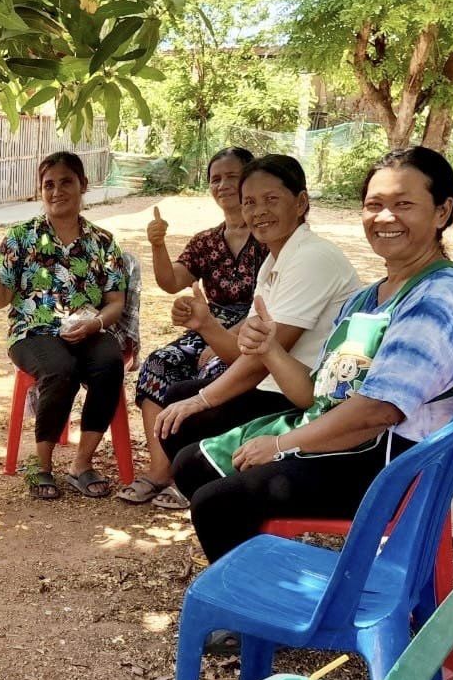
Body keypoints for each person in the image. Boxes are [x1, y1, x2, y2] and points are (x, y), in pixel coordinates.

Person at [171, 146, 453, 563]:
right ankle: (264, 571)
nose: (385, 217)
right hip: (356, 441)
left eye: (403, 204)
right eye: (374, 205)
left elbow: (377, 412)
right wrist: (268, 349)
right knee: (192, 466)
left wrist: (282, 444)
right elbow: (314, 395)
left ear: (442, 211)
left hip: (395, 466)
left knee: (217, 501)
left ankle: (269, 606)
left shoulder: (439, 296)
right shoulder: (366, 298)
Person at [153, 155, 360, 477]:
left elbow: (260, 360)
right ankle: (221, 487)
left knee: (189, 443)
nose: (258, 211)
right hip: (280, 387)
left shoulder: (312, 258)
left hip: (307, 401)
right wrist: (206, 324)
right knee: (178, 399)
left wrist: (202, 400)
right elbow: (245, 353)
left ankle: (224, 490)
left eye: (271, 199)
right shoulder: (275, 262)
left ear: (301, 202)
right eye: (249, 202)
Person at [121, 147, 268, 509]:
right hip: (205, 328)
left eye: (232, 176)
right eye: (215, 179)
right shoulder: (206, 241)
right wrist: (157, 244)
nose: (223, 185)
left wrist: (220, 338)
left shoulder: (268, 238)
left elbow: (271, 310)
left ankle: (197, 470)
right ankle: (160, 470)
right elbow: (172, 281)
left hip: (252, 334)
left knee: (217, 369)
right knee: (158, 363)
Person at [0, 151, 129, 500]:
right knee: (60, 368)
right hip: (32, 331)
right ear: (40, 190)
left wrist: (94, 325)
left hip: (86, 328)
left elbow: (116, 304)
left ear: (83, 186)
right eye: (49, 184)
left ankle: (81, 463)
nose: (57, 190)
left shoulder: (102, 242)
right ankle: (42, 466)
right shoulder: (20, 237)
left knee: (109, 364)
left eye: (66, 182)